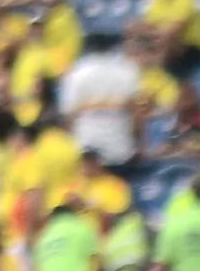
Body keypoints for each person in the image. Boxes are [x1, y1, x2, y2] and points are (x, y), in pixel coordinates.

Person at [59, 31, 143, 169]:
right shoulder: (127, 70)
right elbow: (137, 113)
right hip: (119, 144)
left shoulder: (76, 72)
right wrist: (139, 144)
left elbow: (69, 116)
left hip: (86, 143)